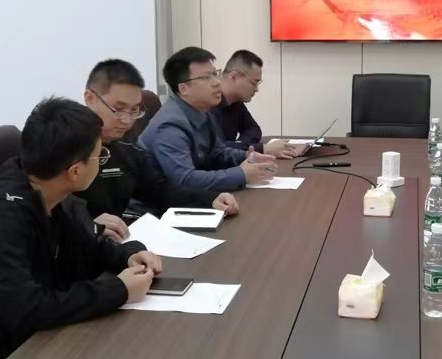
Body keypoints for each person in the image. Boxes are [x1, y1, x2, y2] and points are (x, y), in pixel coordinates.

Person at [0, 97, 162, 359]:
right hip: (7, 349)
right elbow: (28, 310)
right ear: (75, 171)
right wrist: (119, 290)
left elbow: (87, 246)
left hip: (51, 333)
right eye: (100, 155)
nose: (102, 161)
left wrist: (128, 255)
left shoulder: (49, 190)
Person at [77, 59, 240, 241]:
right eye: (118, 109)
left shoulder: (127, 149)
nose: (127, 120)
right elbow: (54, 208)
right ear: (90, 98)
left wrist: (210, 199)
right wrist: (87, 224)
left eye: (134, 110)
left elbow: (160, 191)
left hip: (116, 243)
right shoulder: (65, 147)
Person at [140, 47, 278, 192]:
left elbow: (217, 153)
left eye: (215, 74)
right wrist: (241, 174)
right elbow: (185, 180)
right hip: (158, 204)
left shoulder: (202, 111)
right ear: (184, 89)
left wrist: (247, 156)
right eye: (206, 78)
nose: (217, 82)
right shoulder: (169, 126)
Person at [211, 50, 296, 159]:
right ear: (234, 77)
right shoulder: (206, 103)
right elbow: (215, 149)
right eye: (254, 82)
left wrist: (242, 146)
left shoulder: (236, 102)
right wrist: (263, 149)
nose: (256, 89)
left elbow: (253, 129)